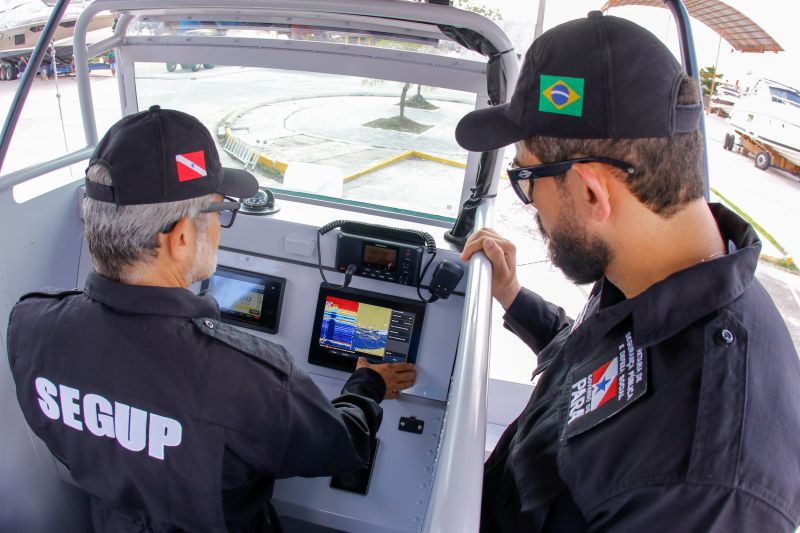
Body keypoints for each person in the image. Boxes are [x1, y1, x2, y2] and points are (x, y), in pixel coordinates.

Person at [458, 11, 800, 532]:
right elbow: (588, 373)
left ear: (593, 191)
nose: (528, 205)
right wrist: (514, 298)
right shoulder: (647, 273)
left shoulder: (702, 484)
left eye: (526, 178)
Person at [6, 105, 416, 532]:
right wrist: (367, 386)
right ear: (181, 238)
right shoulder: (250, 379)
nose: (221, 226)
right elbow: (338, 446)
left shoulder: (31, 325)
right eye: (219, 212)